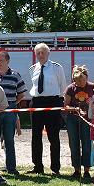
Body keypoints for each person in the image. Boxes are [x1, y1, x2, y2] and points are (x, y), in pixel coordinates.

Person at [0, 51, 27, 175]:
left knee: (9, 140)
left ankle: (11, 168)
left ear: (7, 61)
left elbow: (21, 93)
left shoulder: (15, 75)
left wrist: (11, 104)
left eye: (1, 60)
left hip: (9, 111)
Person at [28, 43, 67, 175]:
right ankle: (37, 166)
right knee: (36, 136)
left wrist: (58, 102)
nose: (40, 55)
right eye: (38, 53)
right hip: (37, 102)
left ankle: (55, 168)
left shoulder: (57, 68)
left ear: (48, 53)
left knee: (53, 136)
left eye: (43, 52)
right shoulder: (32, 68)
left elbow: (62, 87)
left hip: (53, 102)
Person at [64, 65, 94, 179]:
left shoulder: (92, 87)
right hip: (72, 119)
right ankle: (76, 170)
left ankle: (86, 170)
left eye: (82, 80)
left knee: (87, 144)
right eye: (77, 80)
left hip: (87, 120)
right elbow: (65, 106)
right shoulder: (70, 88)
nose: (80, 83)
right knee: (74, 144)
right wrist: (75, 109)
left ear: (86, 77)